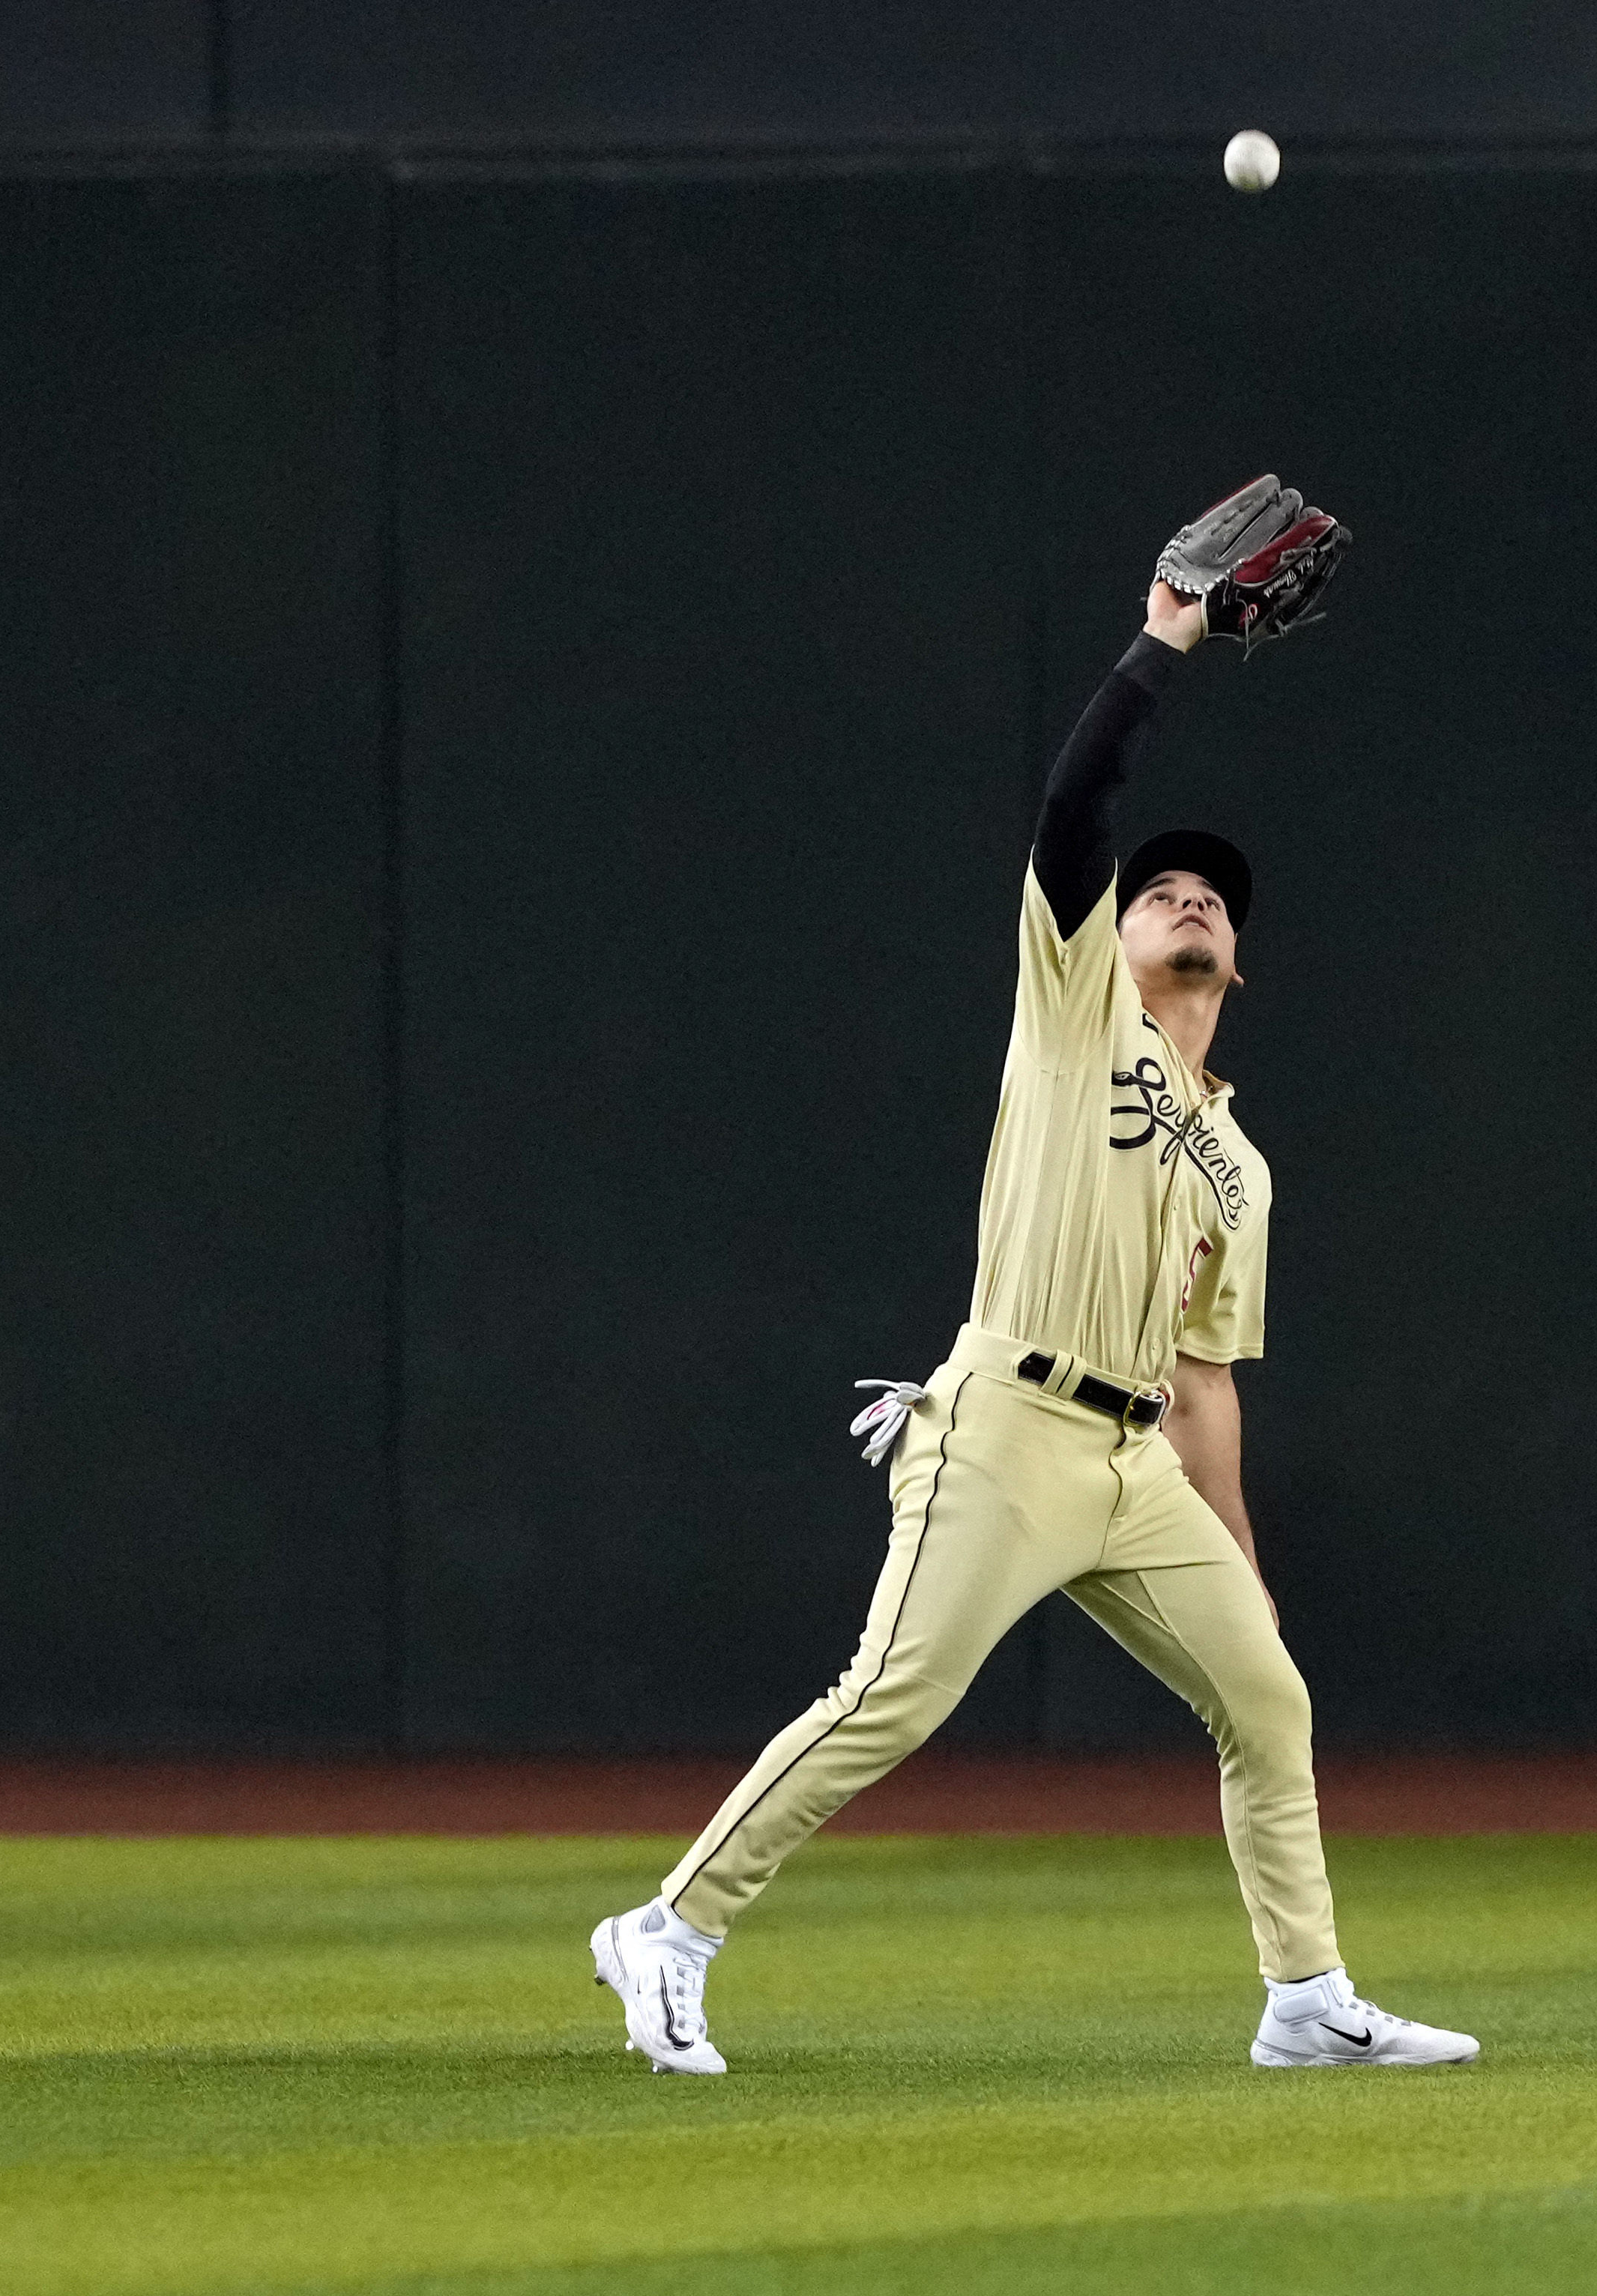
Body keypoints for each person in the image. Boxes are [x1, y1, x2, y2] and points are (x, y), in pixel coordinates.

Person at [588, 536, 1477, 2078]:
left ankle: (1304, 1998)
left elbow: (1205, 1383)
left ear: (1240, 961)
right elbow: (1080, 811)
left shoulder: (1244, 1164)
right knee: (892, 1697)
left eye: (1212, 897)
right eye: (1162, 891)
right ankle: (669, 1927)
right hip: (1005, 1419)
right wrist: (1163, 641)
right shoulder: (1077, 1011)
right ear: (1112, 934)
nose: (1186, 896)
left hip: (1135, 1464)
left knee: (1268, 1696)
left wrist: (1239, 1562)